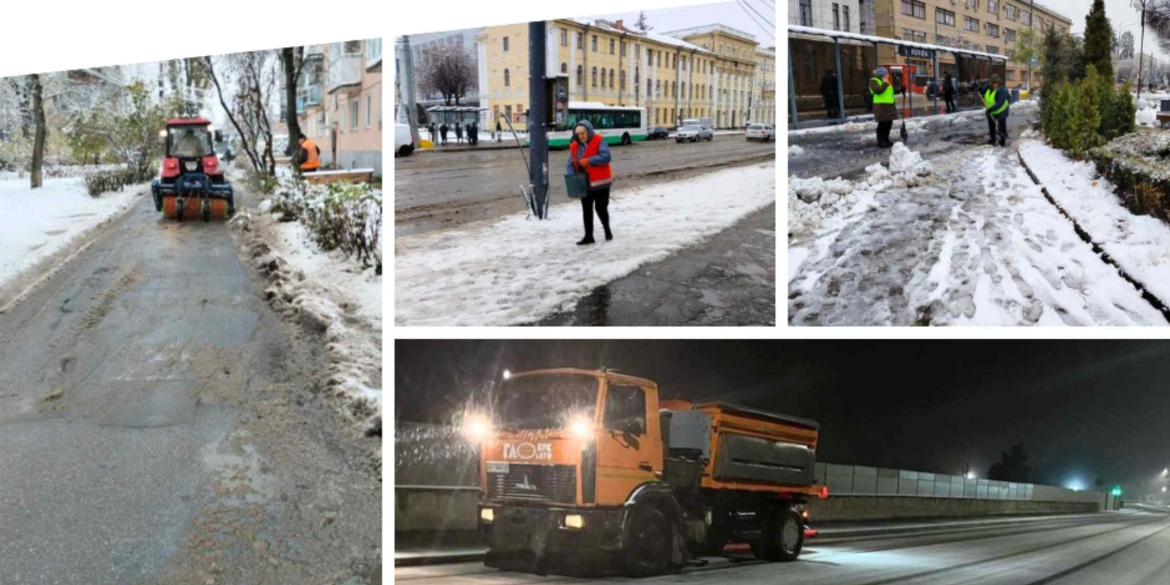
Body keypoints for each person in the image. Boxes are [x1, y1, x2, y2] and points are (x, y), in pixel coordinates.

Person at [566, 119, 613, 245]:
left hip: (600, 183)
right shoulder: (575, 146)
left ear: (589, 131)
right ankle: (588, 236)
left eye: (583, 133)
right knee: (586, 209)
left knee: (600, 208)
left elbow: (606, 156)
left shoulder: (599, 140)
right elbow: (571, 163)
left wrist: (588, 161)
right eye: (578, 134)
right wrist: (570, 175)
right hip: (584, 182)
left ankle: (607, 231)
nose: (581, 136)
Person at [869, 67, 897, 148]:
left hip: (889, 106)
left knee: (888, 123)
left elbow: (888, 92)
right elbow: (878, 91)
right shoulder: (873, 81)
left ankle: (886, 140)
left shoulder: (885, 81)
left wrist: (900, 89)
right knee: (882, 124)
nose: (887, 75)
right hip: (880, 106)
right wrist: (885, 83)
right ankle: (881, 141)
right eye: (886, 74)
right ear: (882, 74)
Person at [983, 74, 1010, 147]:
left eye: (996, 83)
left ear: (999, 83)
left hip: (1002, 110)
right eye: (993, 83)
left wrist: (991, 109)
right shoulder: (989, 88)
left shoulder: (1002, 90)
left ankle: (1002, 140)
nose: (995, 84)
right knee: (991, 124)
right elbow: (982, 90)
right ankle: (993, 138)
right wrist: (977, 87)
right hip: (992, 110)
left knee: (1001, 125)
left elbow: (1000, 102)